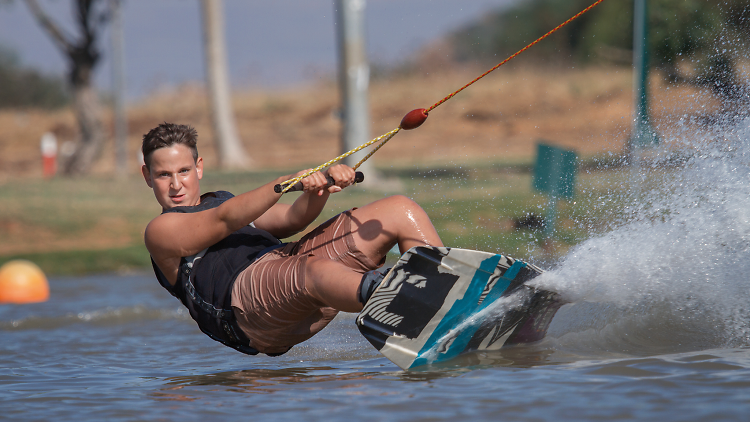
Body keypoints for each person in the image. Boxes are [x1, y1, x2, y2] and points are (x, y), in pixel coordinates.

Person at [141, 122, 443, 356]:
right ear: (147, 177)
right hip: (247, 309)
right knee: (309, 270)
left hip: (291, 271)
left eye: (183, 170)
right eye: (164, 175)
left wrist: (319, 186)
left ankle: (448, 287)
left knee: (399, 210)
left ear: (199, 167)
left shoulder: (222, 199)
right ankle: (406, 303)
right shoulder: (161, 231)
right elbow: (224, 219)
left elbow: (292, 219)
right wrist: (284, 183)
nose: (176, 184)